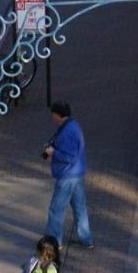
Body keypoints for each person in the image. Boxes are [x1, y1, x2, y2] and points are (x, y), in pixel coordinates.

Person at [43, 101, 94, 250]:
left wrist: (53, 152)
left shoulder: (66, 133)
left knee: (56, 210)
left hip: (67, 176)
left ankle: (54, 242)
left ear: (58, 115)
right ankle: (86, 239)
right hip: (76, 174)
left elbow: (69, 157)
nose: (52, 116)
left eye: (53, 114)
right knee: (80, 208)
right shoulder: (73, 125)